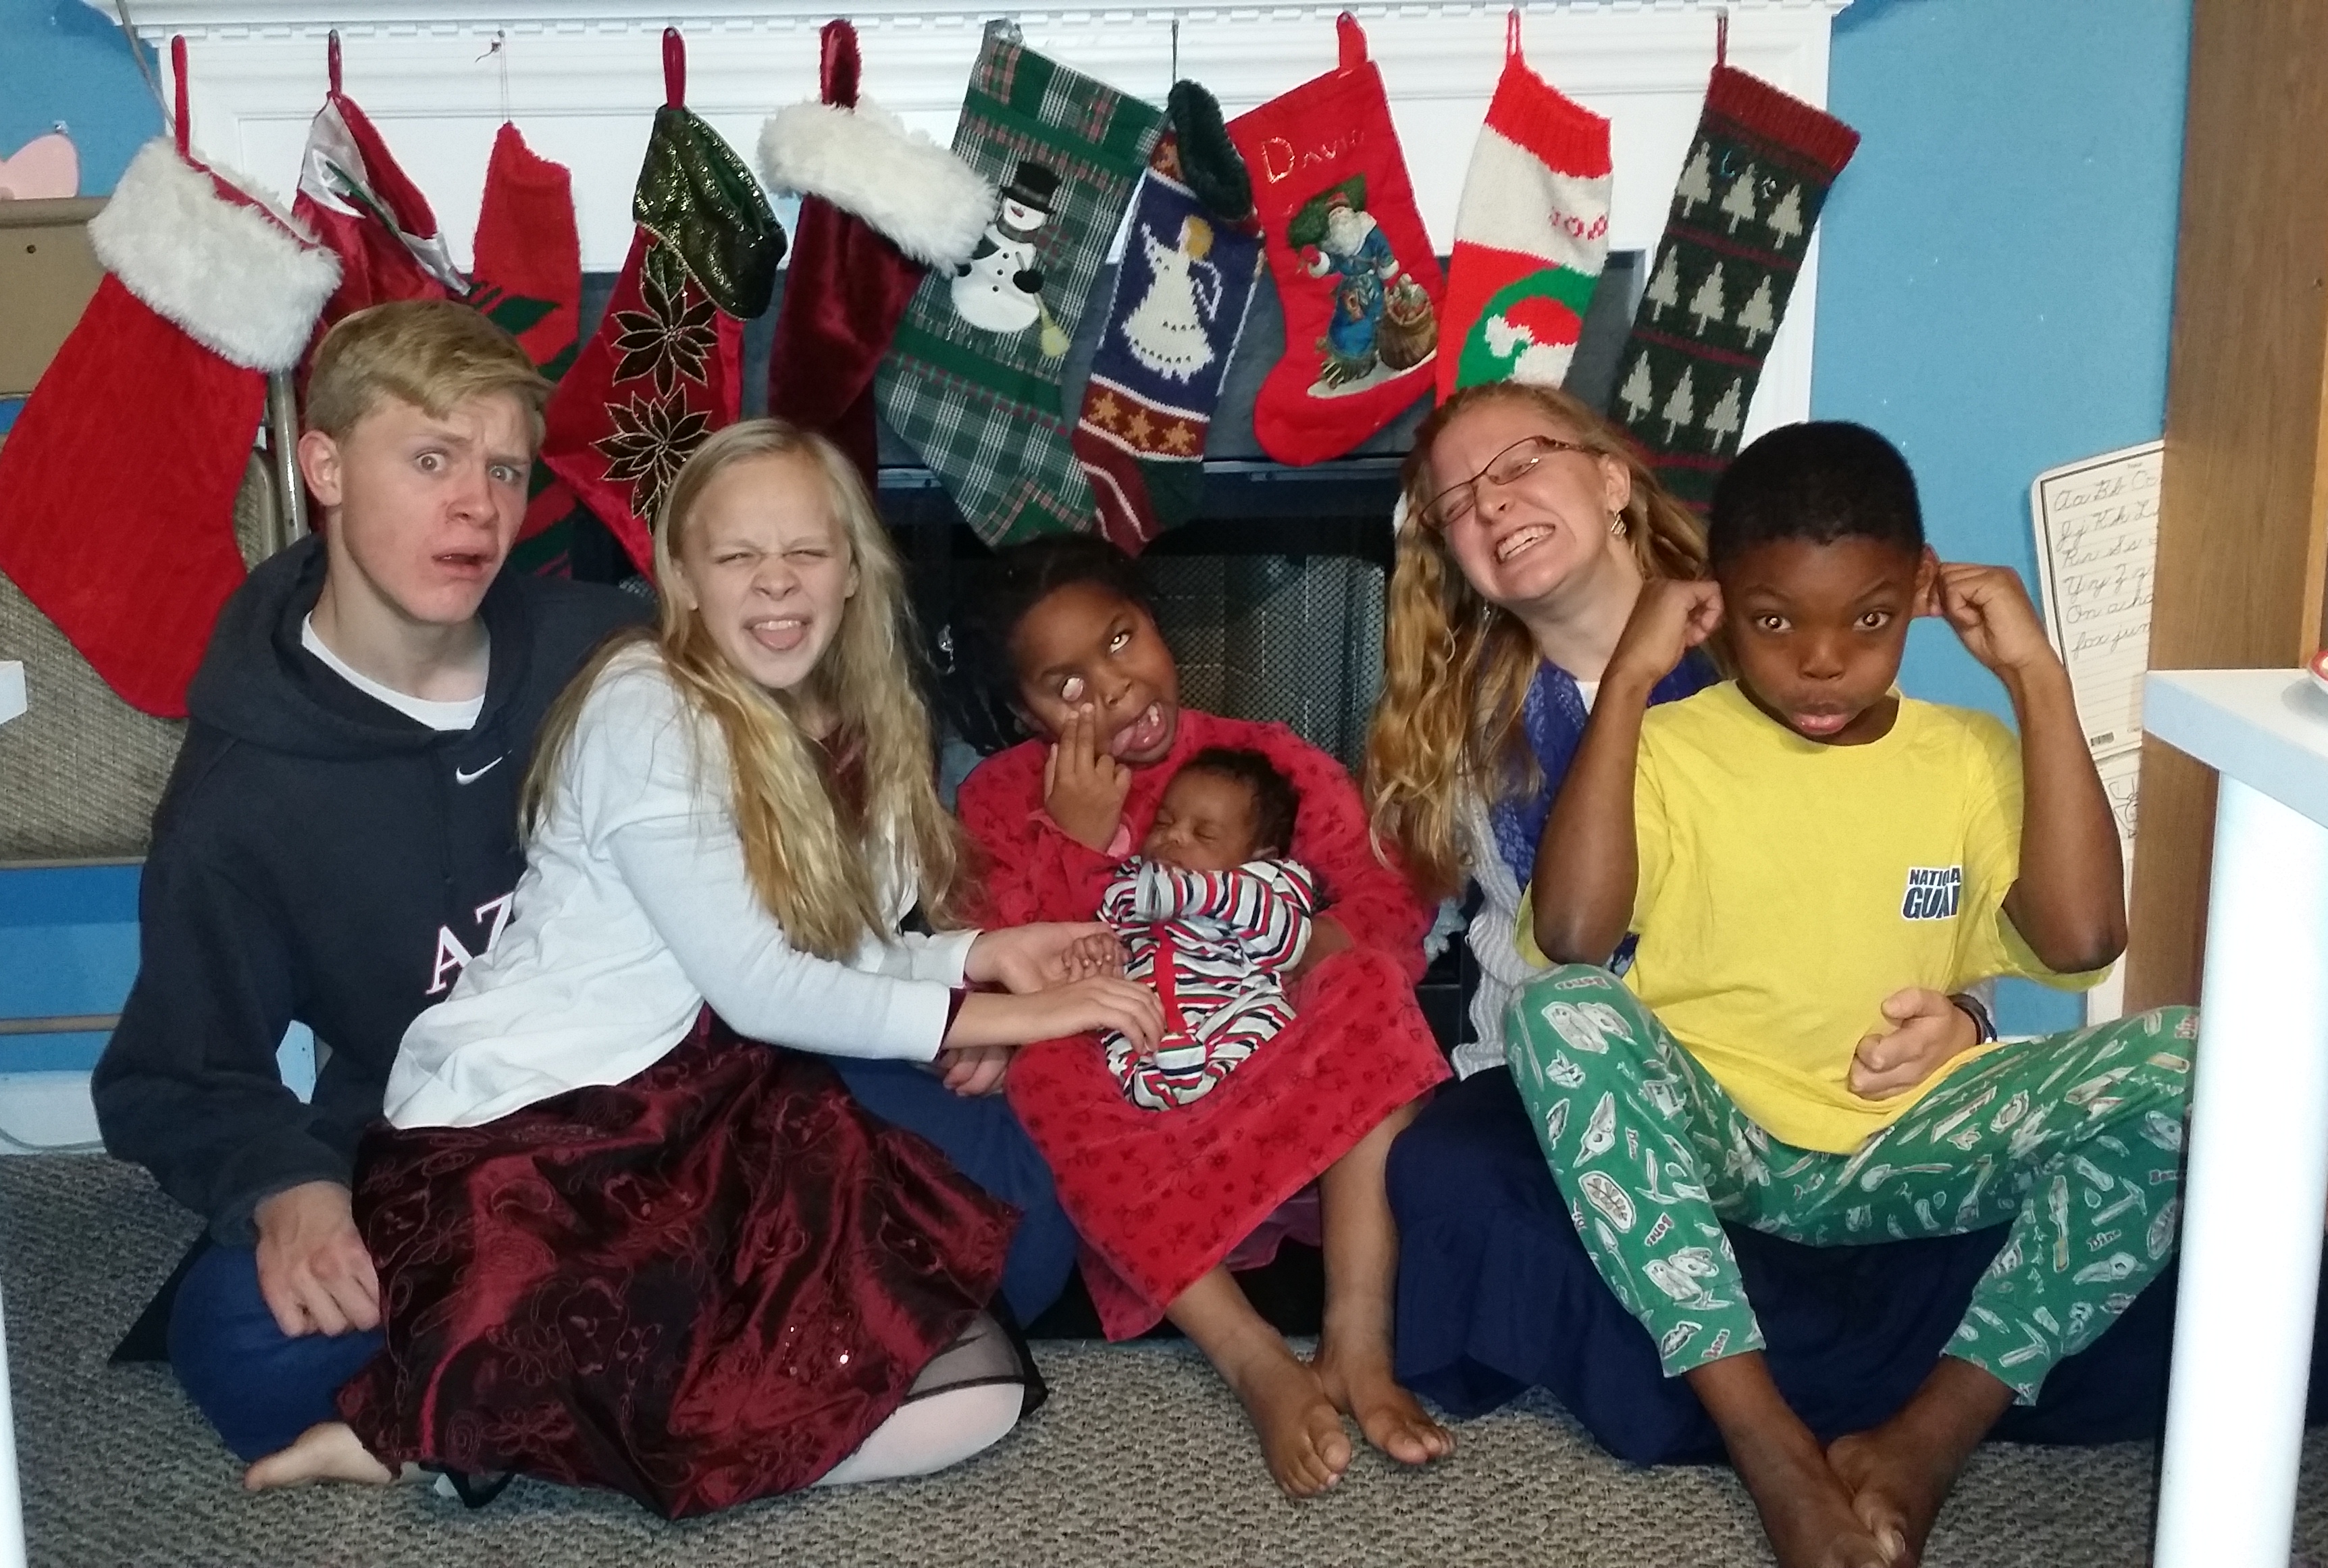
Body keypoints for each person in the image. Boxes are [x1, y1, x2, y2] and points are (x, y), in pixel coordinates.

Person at [242, 420, 1162, 1515]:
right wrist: (1004, 1015)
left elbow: (830, 945)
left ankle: (517, 1435)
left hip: (704, 1102)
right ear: (681, 577)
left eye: (806, 550)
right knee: (888, 1342)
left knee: (981, 1389)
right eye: (737, 556)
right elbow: (764, 987)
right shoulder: (649, 704)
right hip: (538, 1130)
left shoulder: (863, 713)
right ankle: (480, 1420)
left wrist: (981, 951)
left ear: (853, 567)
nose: (776, 583)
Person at [1515, 421, 2191, 1568]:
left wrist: (2035, 676)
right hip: (1726, 1139)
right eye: (1775, 621)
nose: (1822, 661)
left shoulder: (1967, 753)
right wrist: (1626, 680)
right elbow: (1573, 940)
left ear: (1922, 591)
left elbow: (2082, 939)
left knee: (2203, 1057)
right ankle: (1770, 1443)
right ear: (1715, 603)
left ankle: (1927, 1440)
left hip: (1915, 1136)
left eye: (1868, 620)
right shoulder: (1671, 745)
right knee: (1555, 1016)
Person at [90, 300, 645, 1467]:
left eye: (504, 469)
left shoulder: (607, 654)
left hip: (667, 1094)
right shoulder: (240, 794)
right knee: (244, 1341)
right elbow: (176, 1074)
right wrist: (287, 1187)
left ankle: (488, 1413)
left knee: (991, 1198)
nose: (478, 506)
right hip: (449, 1147)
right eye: (432, 460)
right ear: (326, 468)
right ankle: (676, 1374)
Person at [953, 536, 1455, 1498]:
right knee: (1045, 1063)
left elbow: (1384, 907)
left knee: (1368, 986)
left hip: (1266, 1056)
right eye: (1067, 684)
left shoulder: (1268, 760)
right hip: (1133, 1100)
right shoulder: (1001, 797)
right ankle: (1253, 1358)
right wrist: (1080, 844)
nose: (1115, 688)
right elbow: (1008, 964)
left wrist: (1273, 941)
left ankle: (1357, 1336)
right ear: (1024, 713)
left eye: (1121, 639)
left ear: (1156, 622)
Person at [1095, 747, 1316, 1110]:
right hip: (1145, 1015)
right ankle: (1158, 1090)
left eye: (1205, 834)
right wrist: (1096, 949)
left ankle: (1214, 1087)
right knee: (1112, 1036)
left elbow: (1287, 945)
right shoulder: (1132, 882)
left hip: (1230, 1011)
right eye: (1163, 822)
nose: (1174, 836)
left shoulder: (1268, 885)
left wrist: (1197, 892)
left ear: (1259, 857)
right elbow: (1106, 930)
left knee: (1271, 1017)